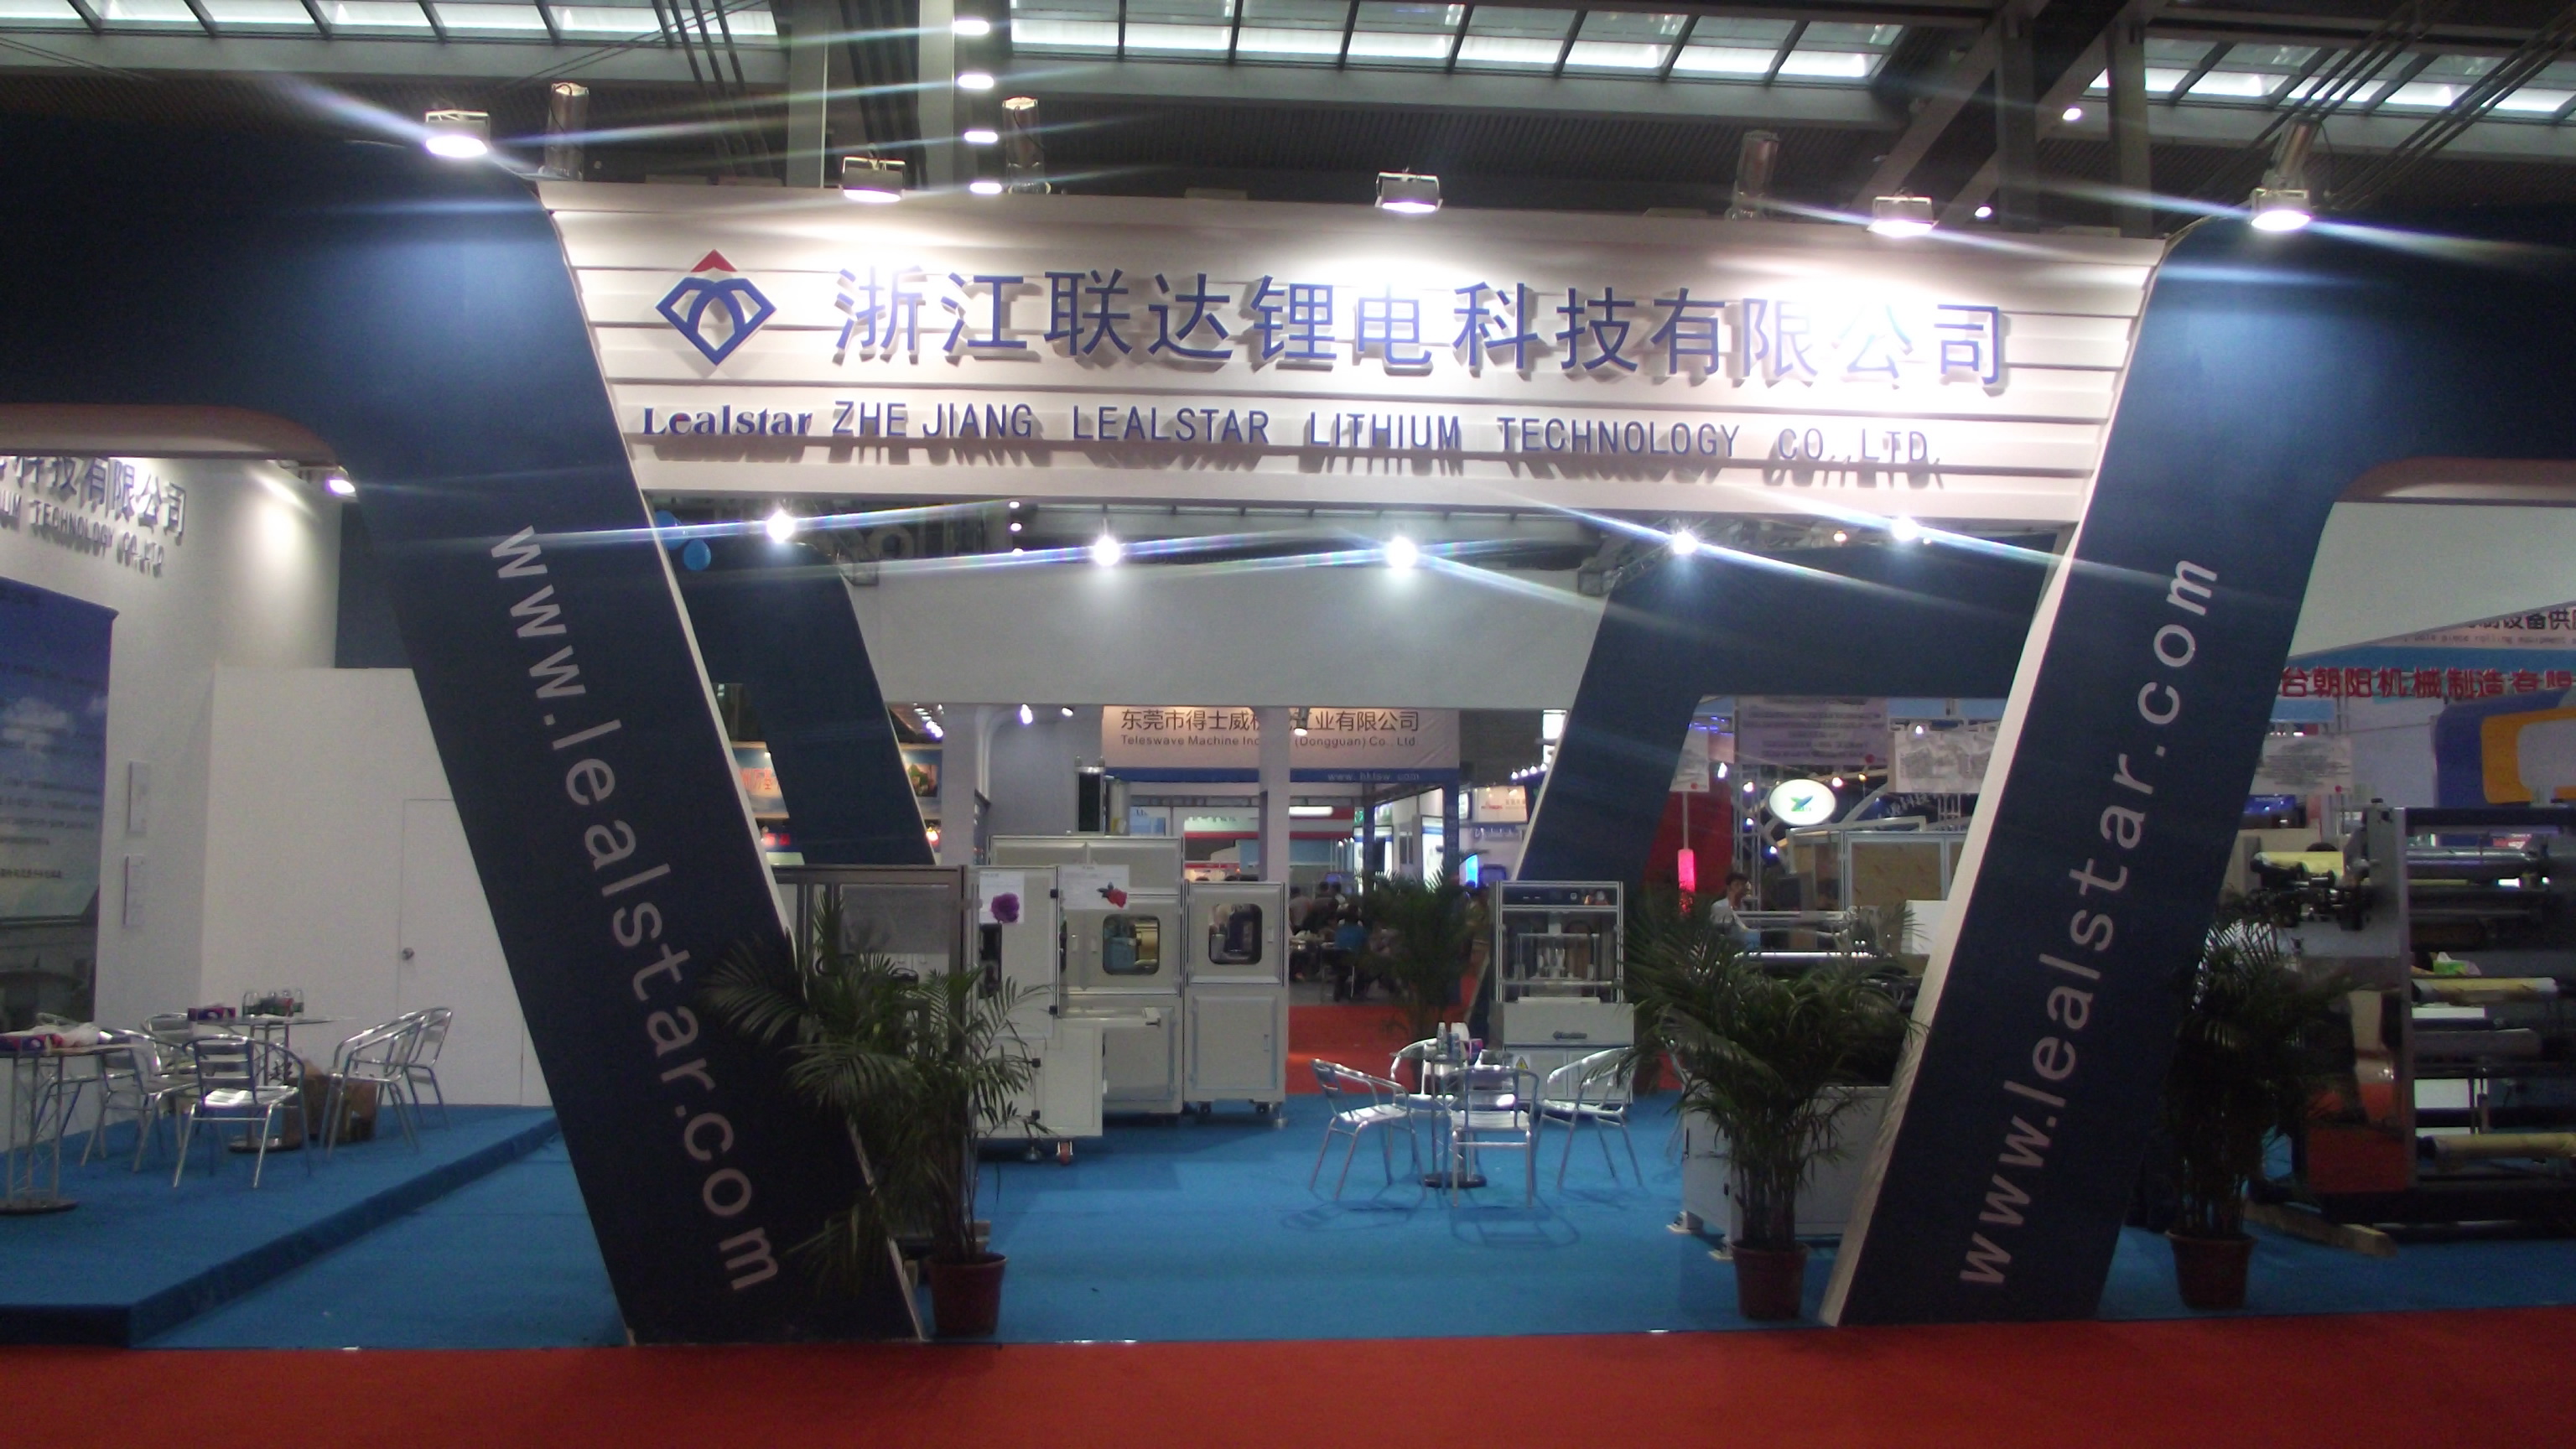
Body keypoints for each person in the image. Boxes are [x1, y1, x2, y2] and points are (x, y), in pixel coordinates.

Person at [1708, 871, 1759, 950]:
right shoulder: (1718, 906)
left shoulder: (1745, 907)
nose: (1741, 888)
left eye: (1743, 885)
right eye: (1737, 885)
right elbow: (1723, 930)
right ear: (1729, 888)